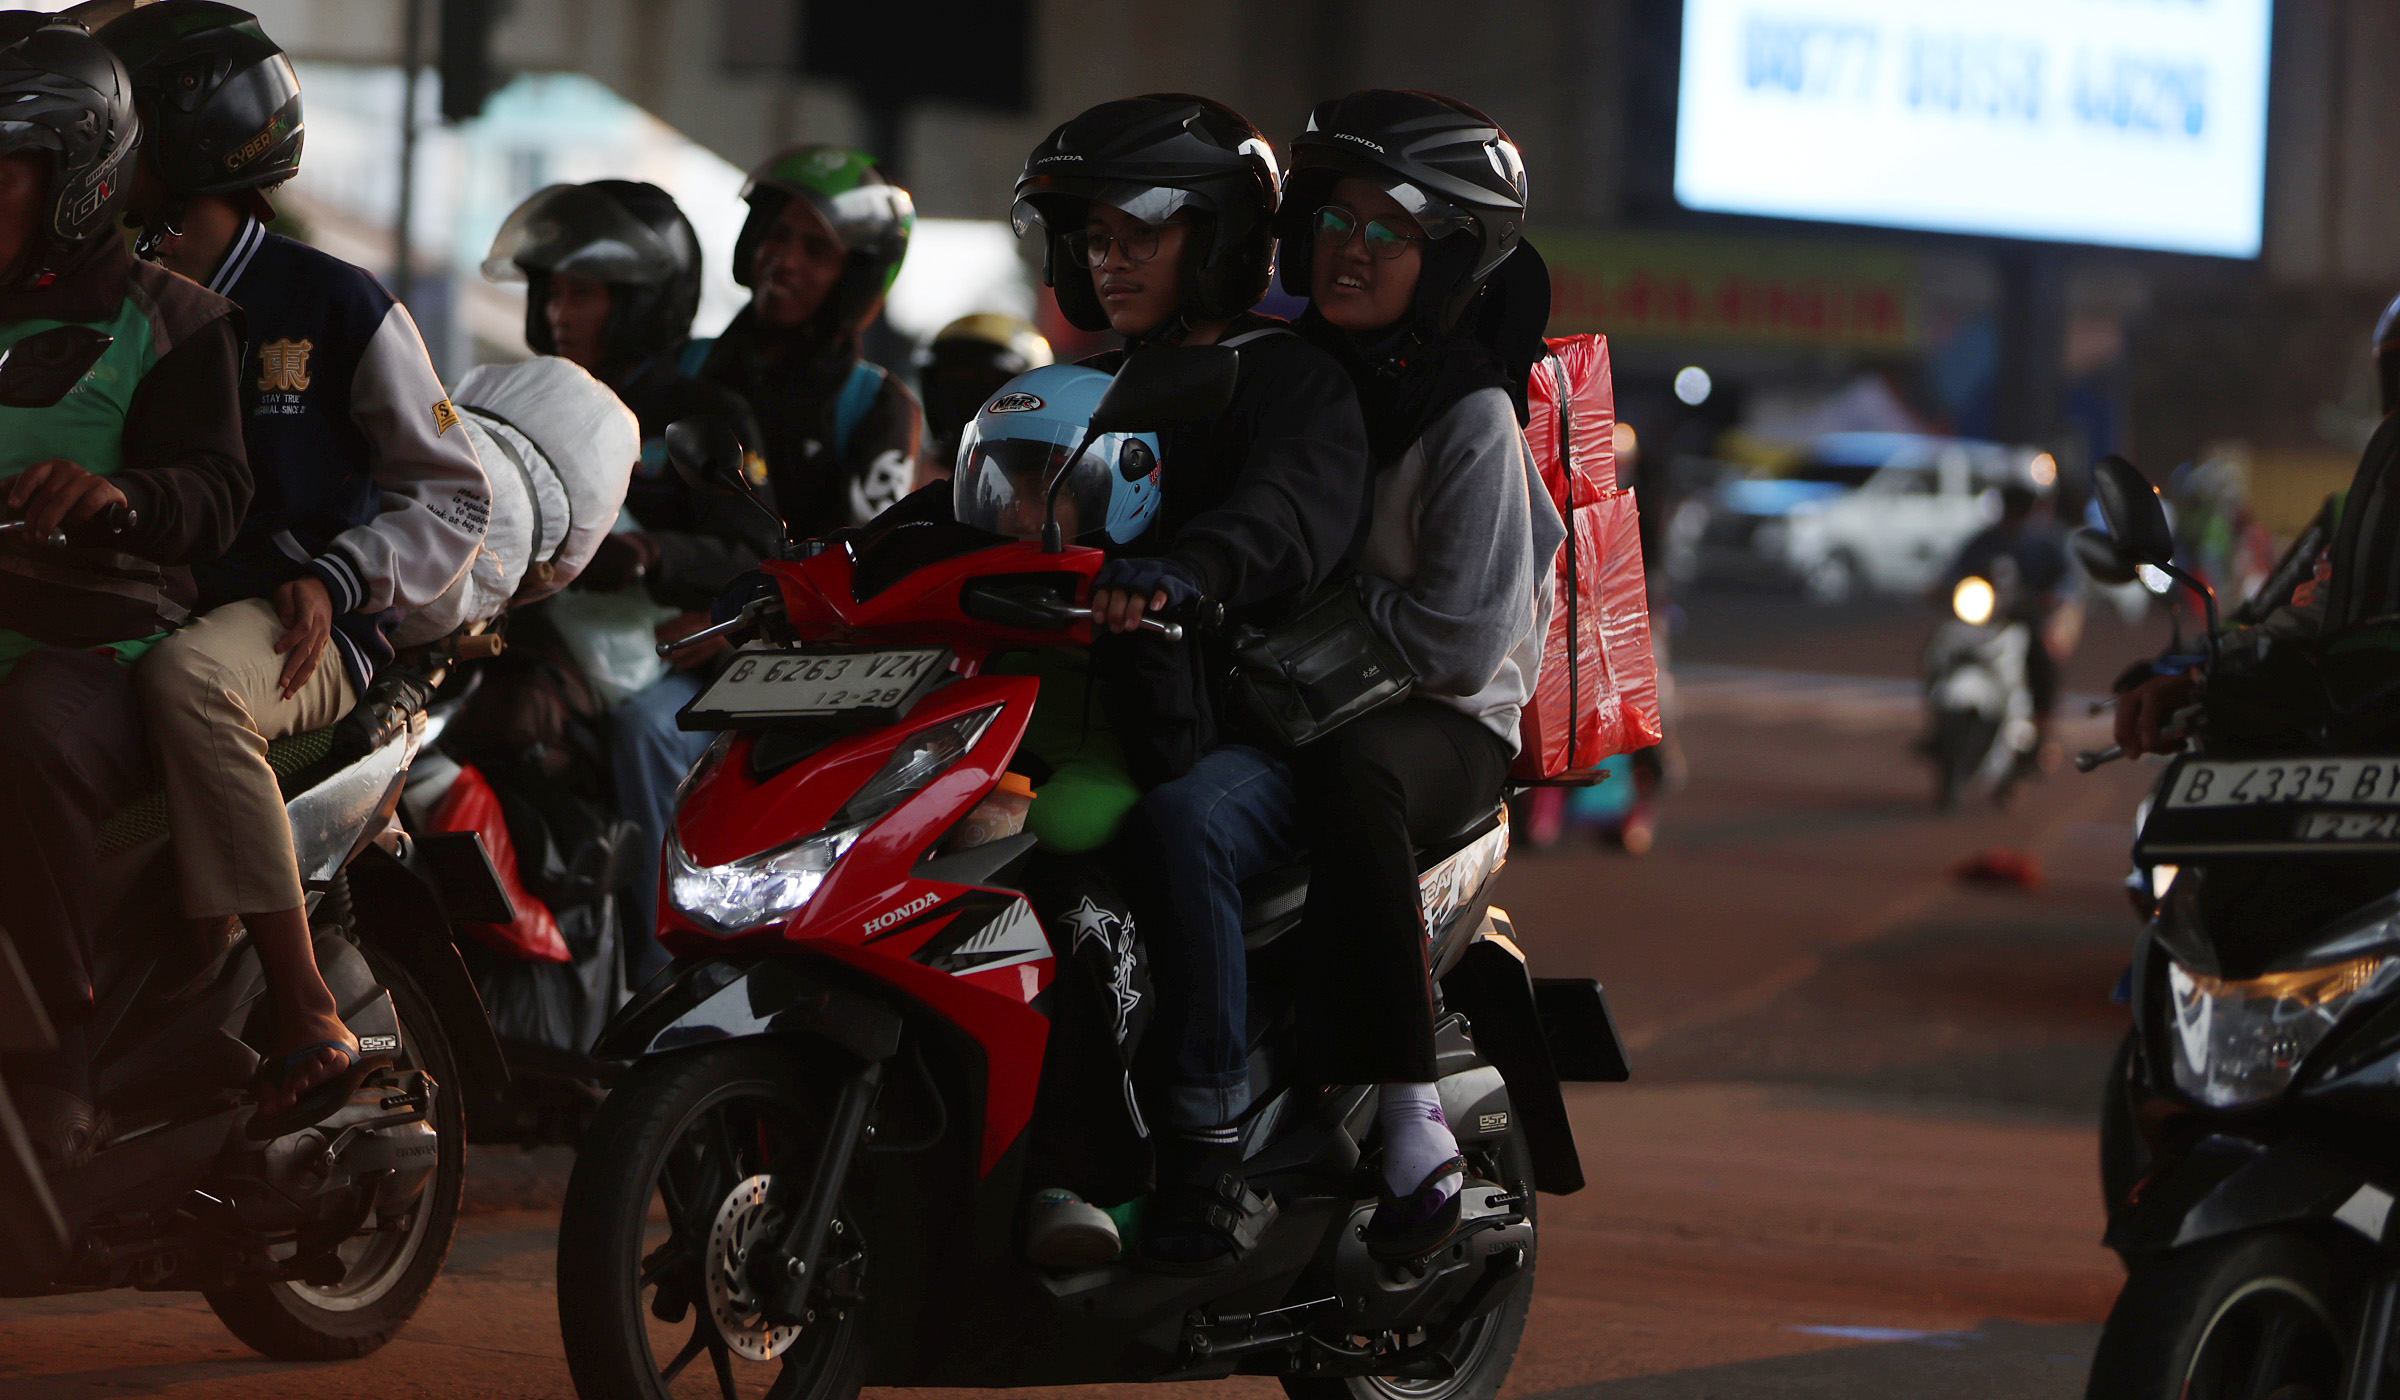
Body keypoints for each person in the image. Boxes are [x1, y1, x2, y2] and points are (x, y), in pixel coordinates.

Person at [1135, 89, 1561, 1266]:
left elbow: (1463, 638)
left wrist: (1288, 607)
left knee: (1349, 774)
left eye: (1391, 230)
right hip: (1291, 694)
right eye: (1334, 222)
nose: (1352, 250)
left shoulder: (1469, 415)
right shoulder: (1276, 372)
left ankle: (1409, 1119)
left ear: (1450, 257)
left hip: (1435, 718)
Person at [100, 0, 491, 1132]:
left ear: (185, 138)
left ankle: (306, 1001)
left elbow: (451, 490)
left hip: (297, 627)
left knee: (189, 686)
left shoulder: (335, 302)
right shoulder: (103, 295)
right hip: (139, 601)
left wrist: (342, 572)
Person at [1011, 92, 1374, 1268]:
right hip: (1104, 710)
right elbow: (981, 502)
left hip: (1252, 718)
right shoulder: (1099, 383)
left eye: (1138, 235)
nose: (1108, 260)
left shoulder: (1291, 381)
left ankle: (1208, 1146)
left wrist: (1185, 572)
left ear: (1215, 236)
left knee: (1182, 825)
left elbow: (1288, 518)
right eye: (1093, 238)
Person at [0, 12, 252, 1164]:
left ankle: (57, 1055)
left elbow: (216, 492)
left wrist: (120, 499)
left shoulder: (174, 321)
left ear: (77, 174)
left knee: (25, 734)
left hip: (101, 646)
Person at [483, 178, 775, 983]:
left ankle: (662, 978)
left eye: (584, 294)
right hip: (538, 649)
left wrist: (653, 559)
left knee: (645, 731)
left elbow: (755, 551)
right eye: (552, 292)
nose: (557, 314)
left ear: (644, 302)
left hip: (667, 667)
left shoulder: (702, 413)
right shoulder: (525, 402)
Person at [697, 146, 922, 537]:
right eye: (776, 235)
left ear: (856, 279)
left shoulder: (875, 407)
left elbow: (867, 560)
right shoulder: (686, 365)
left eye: (815, 250)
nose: (784, 260)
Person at [1942, 481, 2070, 764]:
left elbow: (2064, 583)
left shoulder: (2043, 545)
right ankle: (1938, 719)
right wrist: (1941, 588)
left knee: (2042, 666)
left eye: (2021, 510)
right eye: (2012, 509)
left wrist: (2052, 597)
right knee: (1939, 647)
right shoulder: (1983, 542)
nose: (2015, 516)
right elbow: (1952, 573)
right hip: (1981, 623)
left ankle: (2038, 736)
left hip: (2023, 623)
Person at [915, 312, 1052, 486]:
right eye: (949, 376)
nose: (962, 390)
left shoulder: (1053, 478)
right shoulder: (904, 475)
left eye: (982, 376)